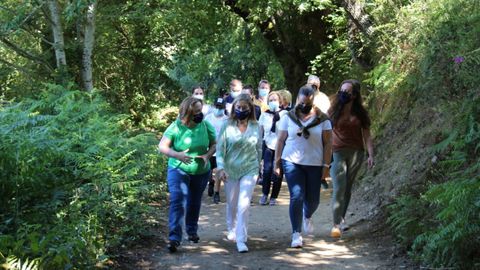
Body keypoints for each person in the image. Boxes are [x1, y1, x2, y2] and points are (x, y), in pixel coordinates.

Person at [274, 84, 333, 248]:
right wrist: (277, 162)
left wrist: (326, 165)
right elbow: (280, 140)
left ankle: (307, 215)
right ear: (298, 99)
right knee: (296, 195)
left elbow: (328, 143)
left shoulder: (323, 119)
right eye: (302, 102)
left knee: (313, 200)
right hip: (291, 161)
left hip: (314, 163)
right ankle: (296, 234)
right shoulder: (288, 117)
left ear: (314, 101)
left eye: (308, 103)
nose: (304, 105)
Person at [158, 97, 217, 253]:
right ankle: (174, 238)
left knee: (194, 202)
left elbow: (214, 144)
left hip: (201, 171)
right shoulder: (176, 127)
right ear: (187, 112)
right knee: (177, 200)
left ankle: (191, 231)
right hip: (178, 169)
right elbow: (162, 147)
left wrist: (207, 156)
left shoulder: (205, 125)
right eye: (196, 111)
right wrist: (177, 155)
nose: (199, 114)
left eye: (200, 111)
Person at [216, 94, 262, 253]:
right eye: (238, 107)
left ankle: (241, 239)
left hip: (250, 168)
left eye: (244, 108)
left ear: (250, 109)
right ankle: (232, 227)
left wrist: (259, 167)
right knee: (232, 202)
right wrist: (220, 168)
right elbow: (220, 150)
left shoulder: (256, 126)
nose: (241, 110)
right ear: (234, 108)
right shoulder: (226, 125)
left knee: (244, 204)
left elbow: (259, 149)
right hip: (230, 169)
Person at [328, 79, 374, 238]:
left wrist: (370, 154)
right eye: (341, 90)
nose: (343, 94)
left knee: (347, 187)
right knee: (339, 186)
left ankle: (341, 218)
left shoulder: (361, 113)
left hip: (356, 153)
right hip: (336, 152)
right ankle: (335, 224)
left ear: (354, 95)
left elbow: (367, 135)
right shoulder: (333, 111)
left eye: (347, 91)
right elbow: (325, 132)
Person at [258, 91, 287, 206]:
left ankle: (274, 196)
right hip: (268, 145)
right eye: (271, 100)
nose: (273, 102)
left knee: (278, 171)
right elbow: (260, 132)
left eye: (275, 100)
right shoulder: (264, 114)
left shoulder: (285, 114)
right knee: (267, 170)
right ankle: (265, 194)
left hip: (281, 147)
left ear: (280, 101)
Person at [205, 97, 229, 204]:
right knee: (208, 170)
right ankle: (211, 181)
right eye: (216, 107)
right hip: (209, 148)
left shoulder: (227, 120)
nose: (218, 109)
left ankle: (217, 192)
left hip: (221, 148)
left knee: (219, 170)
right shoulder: (207, 118)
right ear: (213, 106)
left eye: (220, 107)